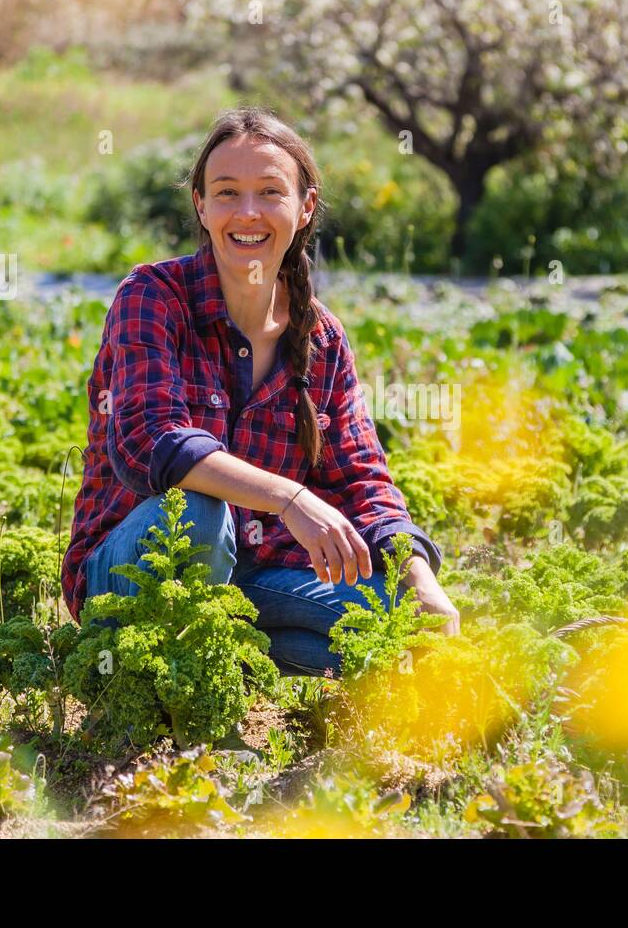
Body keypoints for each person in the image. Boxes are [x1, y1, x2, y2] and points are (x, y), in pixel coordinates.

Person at [61, 106, 460, 677]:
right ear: (201, 205)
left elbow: (362, 477)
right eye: (226, 192)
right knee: (195, 511)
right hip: (128, 573)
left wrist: (418, 576)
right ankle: (176, 692)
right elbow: (150, 443)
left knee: (401, 621)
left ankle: (239, 665)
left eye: (270, 192)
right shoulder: (152, 297)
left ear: (305, 209)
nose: (247, 212)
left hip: (258, 574)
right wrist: (289, 498)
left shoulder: (321, 337)